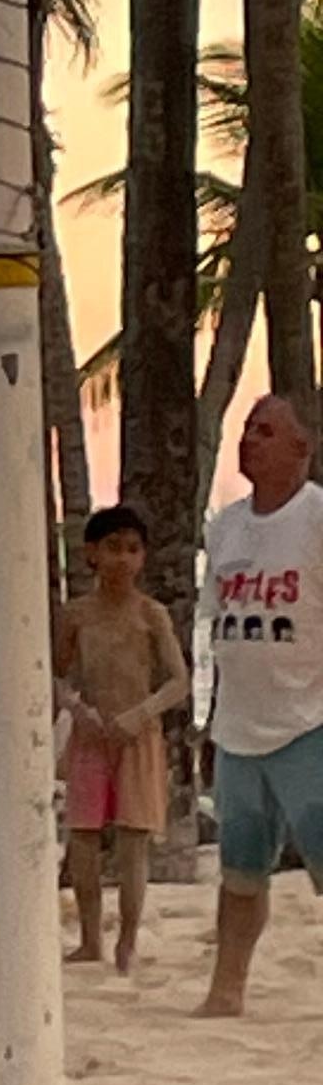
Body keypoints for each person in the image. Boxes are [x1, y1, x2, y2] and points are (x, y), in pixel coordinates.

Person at [196, 391, 323, 1019]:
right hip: (238, 731)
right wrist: (210, 723)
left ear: (303, 447)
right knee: (240, 872)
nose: (249, 440)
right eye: (247, 428)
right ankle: (226, 990)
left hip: (310, 725)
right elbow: (221, 634)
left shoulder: (317, 519)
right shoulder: (226, 527)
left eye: (266, 431)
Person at [55, 500, 187, 977]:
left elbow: (178, 681)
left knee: (133, 839)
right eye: (113, 548)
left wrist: (141, 714)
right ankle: (90, 939)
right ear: (92, 553)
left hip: (138, 737)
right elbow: (55, 675)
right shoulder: (76, 614)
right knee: (84, 837)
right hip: (91, 736)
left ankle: (127, 939)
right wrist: (78, 709)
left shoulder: (151, 614)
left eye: (133, 549)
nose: (123, 559)